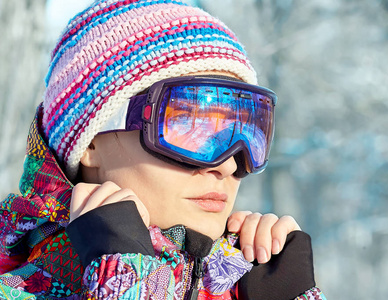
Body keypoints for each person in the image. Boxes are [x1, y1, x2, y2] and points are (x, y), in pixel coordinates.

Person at [0, 1, 326, 299]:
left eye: (247, 131)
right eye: (188, 124)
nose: (227, 165)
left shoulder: (235, 286)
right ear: (91, 142)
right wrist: (129, 281)